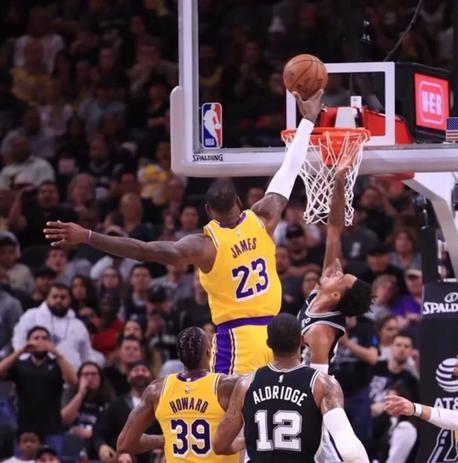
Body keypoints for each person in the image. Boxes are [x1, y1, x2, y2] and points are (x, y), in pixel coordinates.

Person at [44, 90, 324, 375]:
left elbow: (142, 250)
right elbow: (289, 169)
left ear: (207, 210)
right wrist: (309, 119)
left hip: (238, 342)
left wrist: (88, 236)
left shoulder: (204, 246)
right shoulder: (264, 217)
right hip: (275, 338)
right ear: (240, 202)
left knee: (227, 403)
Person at [212, 313, 368, 463]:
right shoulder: (323, 384)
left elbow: (219, 445)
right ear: (302, 340)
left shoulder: (245, 384)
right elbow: (349, 450)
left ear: (268, 343)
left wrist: (248, 439)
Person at [116, 327, 241, 463]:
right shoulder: (227, 386)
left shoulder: (156, 389)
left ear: (179, 355)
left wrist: (162, 440)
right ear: (209, 351)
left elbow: (124, 443)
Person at [297, 158, 373, 373]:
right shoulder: (322, 292)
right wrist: (339, 180)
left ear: (335, 295)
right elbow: (334, 229)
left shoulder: (322, 332)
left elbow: (318, 382)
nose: (337, 272)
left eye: (341, 278)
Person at [0, 326, 77, 455]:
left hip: (52, 427)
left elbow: (73, 380)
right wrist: (21, 351)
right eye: (36, 338)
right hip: (25, 428)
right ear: (28, 341)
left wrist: (57, 353)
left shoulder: (57, 364)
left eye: (44, 338)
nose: (40, 341)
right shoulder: (20, 365)